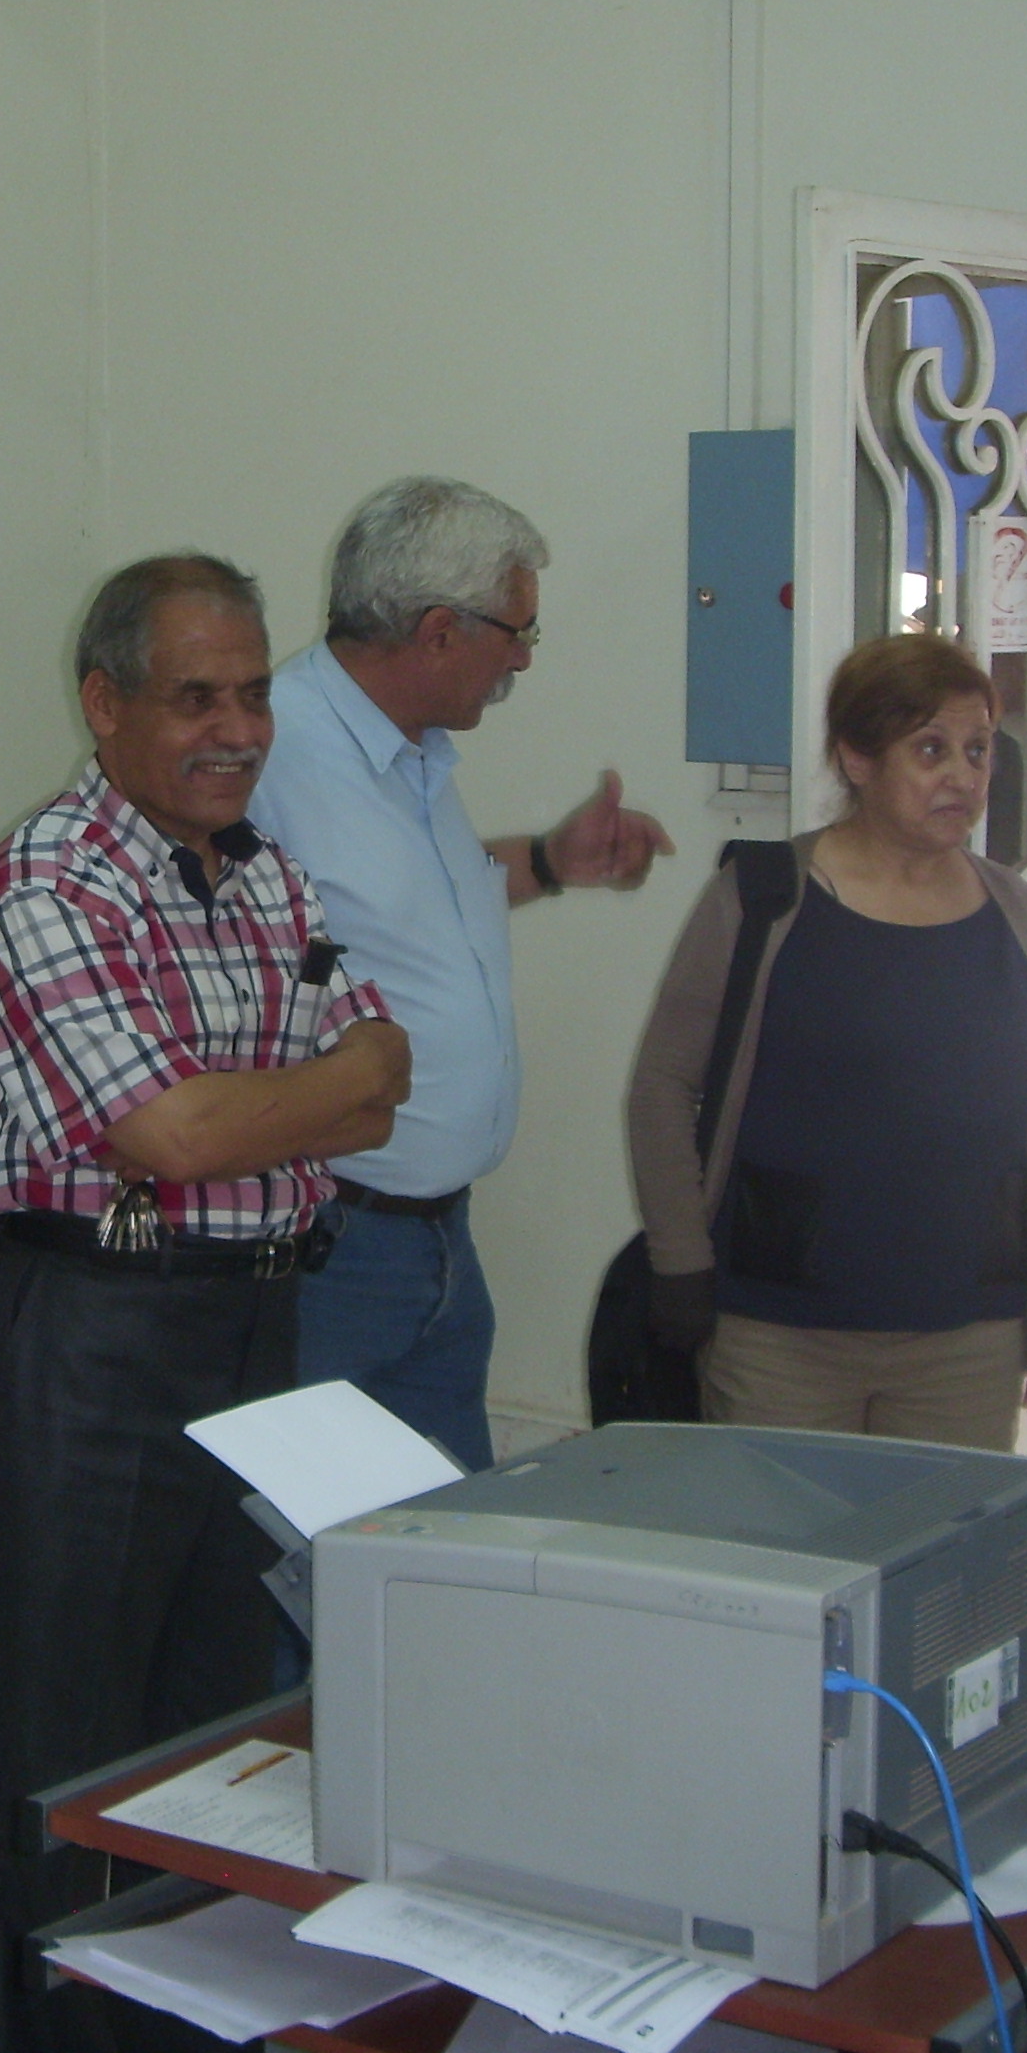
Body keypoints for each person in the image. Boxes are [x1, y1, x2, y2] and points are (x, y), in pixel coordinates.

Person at [0, 556, 407, 2053]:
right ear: (105, 704)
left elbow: (386, 1076)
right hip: (93, 1338)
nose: (239, 731)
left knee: (217, 1748)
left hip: (255, 1331)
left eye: (255, 694)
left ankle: (194, 2043)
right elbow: (174, 1134)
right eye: (197, 698)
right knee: (62, 1756)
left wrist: (279, 1101)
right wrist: (309, 1095)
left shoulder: (266, 871)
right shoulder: (46, 882)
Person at [246, 477, 669, 1470]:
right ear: (439, 632)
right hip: (329, 1243)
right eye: (517, 632)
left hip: (440, 1242)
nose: (523, 658)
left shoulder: (410, 749)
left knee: (439, 1542)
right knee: (305, 1541)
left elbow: (409, 910)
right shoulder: (272, 753)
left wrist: (553, 861)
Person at [625, 631, 1027, 1450]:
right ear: (858, 759)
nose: (963, 776)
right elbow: (662, 1085)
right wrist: (680, 1259)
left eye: (978, 749)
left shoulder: (1022, 921)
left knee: (937, 1539)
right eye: (931, 749)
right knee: (783, 1536)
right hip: (780, 1338)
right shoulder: (764, 901)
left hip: (966, 1342)